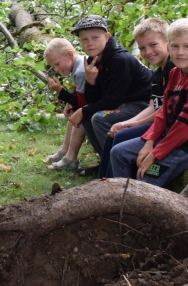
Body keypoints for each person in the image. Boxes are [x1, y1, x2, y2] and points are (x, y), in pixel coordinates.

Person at [110, 18, 188, 187]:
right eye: (175, 46)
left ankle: (136, 208)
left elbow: (183, 128)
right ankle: (120, 197)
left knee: (146, 177)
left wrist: (155, 154)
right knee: (119, 152)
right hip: (167, 137)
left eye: (187, 46)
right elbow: (164, 112)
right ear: (169, 47)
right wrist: (149, 142)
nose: (180, 52)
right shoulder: (176, 72)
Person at [66, 15, 152, 173]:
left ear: (107, 37)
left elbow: (112, 101)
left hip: (143, 105)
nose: (90, 43)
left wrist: (83, 110)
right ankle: (107, 161)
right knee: (88, 116)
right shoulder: (95, 60)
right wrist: (90, 82)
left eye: (95, 38)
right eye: (84, 39)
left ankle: (120, 167)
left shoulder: (120, 59)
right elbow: (95, 100)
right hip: (123, 103)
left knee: (99, 119)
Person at [98, 17, 173, 178]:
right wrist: (127, 123)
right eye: (142, 48)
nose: (148, 52)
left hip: (165, 127)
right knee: (115, 133)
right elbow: (153, 106)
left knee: (121, 138)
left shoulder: (174, 69)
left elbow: (166, 111)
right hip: (156, 122)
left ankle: (116, 186)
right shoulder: (157, 73)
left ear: (168, 42)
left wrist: (134, 123)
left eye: (153, 45)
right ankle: (102, 181)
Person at [42, 38, 87, 172]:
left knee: (79, 115)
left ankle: (70, 158)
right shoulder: (77, 65)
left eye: (57, 64)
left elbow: (82, 102)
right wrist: (69, 103)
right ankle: (64, 151)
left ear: (70, 54)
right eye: (53, 67)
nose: (56, 69)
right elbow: (79, 94)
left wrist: (60, 91)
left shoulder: (80, 71)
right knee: (74, 113)